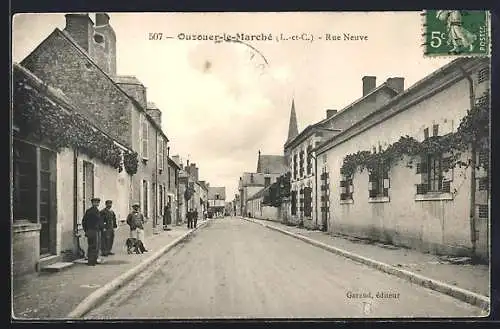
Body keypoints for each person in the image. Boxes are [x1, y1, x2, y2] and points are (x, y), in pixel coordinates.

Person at [82, 197, 104, 266]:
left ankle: (93, 260)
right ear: (92, 203)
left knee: (95, 246)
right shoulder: (90, 211)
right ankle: (91, 261)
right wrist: (87, 230)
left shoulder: (96, 211)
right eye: (95, 202)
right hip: (92, 231)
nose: (97, 204)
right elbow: (84, 221)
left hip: (95, 231)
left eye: (98, 202)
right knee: (93, 246)